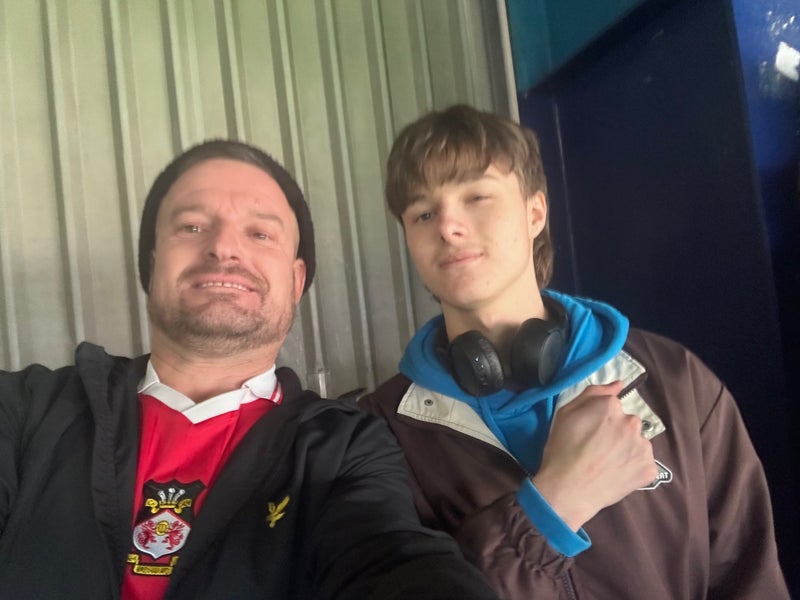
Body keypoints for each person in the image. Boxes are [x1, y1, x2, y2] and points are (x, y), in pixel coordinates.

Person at [0, 140, 499, 599]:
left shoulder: (345, 448)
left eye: (259, 233)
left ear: (296, 281)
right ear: (152, 265)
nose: (223, 247)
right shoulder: (27, 409)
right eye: (191, 226)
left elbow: (394, 558)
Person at [359, 105, 790, 599]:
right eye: (423, 213)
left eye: (476, 196)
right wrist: (550, 510)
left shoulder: (677, 383)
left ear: (535, 213)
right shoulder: (377, 434)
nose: (447, 227)